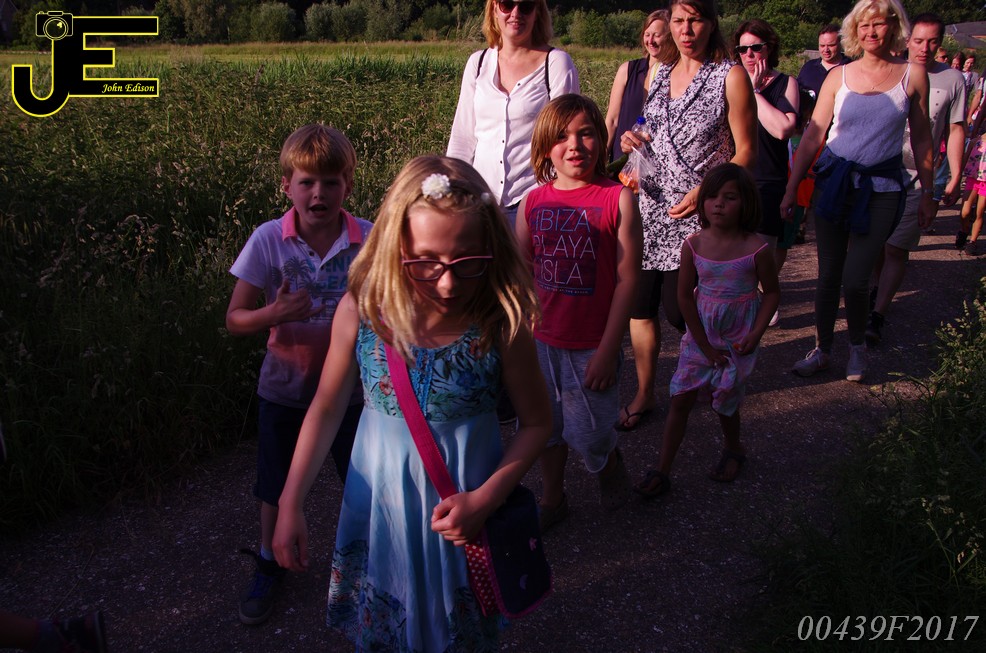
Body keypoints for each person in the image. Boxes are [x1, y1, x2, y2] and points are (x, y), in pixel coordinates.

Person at [272, 156, 552, 651]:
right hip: (383, 516)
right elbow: (327, 406)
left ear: (491, 246)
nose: (447, 283)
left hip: (465, 521)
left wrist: (485, 500)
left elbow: (537, 423)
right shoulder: (362, 311)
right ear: (395, 246)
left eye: (467, 262)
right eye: (425, 261)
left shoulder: (501, 320)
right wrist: (290, 501)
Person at [225, 124, 372, 626]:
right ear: (286, 185)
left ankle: (369, 564)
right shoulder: (269, 239)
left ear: (348, 185)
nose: (318, 193)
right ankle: (270, 561)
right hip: (285, 389)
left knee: (361, 483)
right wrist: (275, 313)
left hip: (353, 394)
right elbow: (235, 319)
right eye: (307, 182)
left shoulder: (369, 238)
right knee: (275, 486)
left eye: (331, 182)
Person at [615, 0, 757, 432]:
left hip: (699, 214)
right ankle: (645, 392)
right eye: (678, 21)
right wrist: (632, 140)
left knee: (682, 312)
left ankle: (706, 373)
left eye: (695, 21)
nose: (685, 30)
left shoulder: (730, 76)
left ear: (711, 24)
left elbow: (746, 151)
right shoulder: (661, 73)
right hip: (649, 209)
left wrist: (705, 193)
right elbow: (649, 125)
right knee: (640, 308)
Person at [781, 0, 935, 384]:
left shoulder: (912, 75)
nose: (871, 32)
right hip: (834, 184)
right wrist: (791, 187)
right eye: (864, 25)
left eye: (879, 24)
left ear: (894, 27)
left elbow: (922, 138)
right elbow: (814, 134)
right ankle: (821, 350)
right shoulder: (839, 76)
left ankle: (856, 348)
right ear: (854, 30)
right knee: (828, 275)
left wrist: (928, 192)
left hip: (882, 189)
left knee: (855, 277)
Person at [516, 94, 642, 530]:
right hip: (541, 344)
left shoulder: (617, 199)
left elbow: (627, 279)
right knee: (545, 428)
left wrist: (608, 350)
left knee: (590, 433)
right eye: (562, 136)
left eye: (586, 133)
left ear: (601, 140)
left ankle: (607, 461)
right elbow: (522, 273)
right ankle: (553, 499)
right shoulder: (532, 203)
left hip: (591, 345)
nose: (575, 145)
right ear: (545, 147)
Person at [634, 163, 779, 497]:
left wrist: (755, 334)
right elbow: (684, 296)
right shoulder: (693, 244)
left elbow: (772, 293)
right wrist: (703, 344)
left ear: (746, 203)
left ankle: (734, 449)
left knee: (725, 402)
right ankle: (662, 469)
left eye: (730, 197)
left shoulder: (757, 249)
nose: (718, 204)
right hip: (700, 339)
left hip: (737, 341)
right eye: (712, 196)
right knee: (680, 399)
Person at [866, 13, 966, 345]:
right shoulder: (891, 69)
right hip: (881, 172)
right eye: (919, 41)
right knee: (876, 244)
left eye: (932, 41)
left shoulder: (953, 80)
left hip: (919, 178)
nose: (925, 48)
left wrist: (953, 176)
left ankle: (877, 315)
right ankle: (876, 289)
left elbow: (955, 130)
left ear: (940, 43)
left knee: (897, 248)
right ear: (907, 40)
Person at [447, 0, 579, 226]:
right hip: (480, 202)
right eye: (507, 5)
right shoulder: (477, 63)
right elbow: (463, 136)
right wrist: (452, 190)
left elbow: (568, 137)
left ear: (537, 12)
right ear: (494, 9)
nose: (516, 13)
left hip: (535, 201)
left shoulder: (556, 63)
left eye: (525, 6)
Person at [733, 18, 799, 326]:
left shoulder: (785, 84)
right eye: (742, 49)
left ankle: (763, 301)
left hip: (768, 181)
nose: (749, 54)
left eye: (755, 48)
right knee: (732, 253)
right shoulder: (730, 80)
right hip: (735, 178)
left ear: (769, 48)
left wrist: (754, 91)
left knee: (762, 255)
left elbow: (783, 130)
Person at [604, 9, 670, 164]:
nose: (651, 40)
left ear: (670, 37)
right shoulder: (627, 70)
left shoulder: (676, 75)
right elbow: (612, 120)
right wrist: (601, 158)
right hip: (622, 160)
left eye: (657, 35)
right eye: (647, 34)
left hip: (656, 163)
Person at [797, 24, 851, 98]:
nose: (826, 50)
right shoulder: (808, 68)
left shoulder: (851, 69)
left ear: (841, 44)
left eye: (831, 45)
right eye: (822, 45)